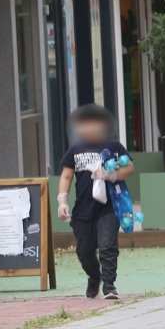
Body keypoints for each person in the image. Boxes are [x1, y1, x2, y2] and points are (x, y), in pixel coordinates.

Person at [57, 104, 134, 299]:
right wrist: (62, 201)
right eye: (85, 125)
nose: (90, 129)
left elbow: (130, 168)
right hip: (83, 210)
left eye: (94, 124)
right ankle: (94, 276)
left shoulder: (115, 147)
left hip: (109, 206)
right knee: (84, 251)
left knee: (108, 245)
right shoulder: (75, 150)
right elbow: (66, 176)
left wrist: (111, 174)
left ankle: (109, 285)